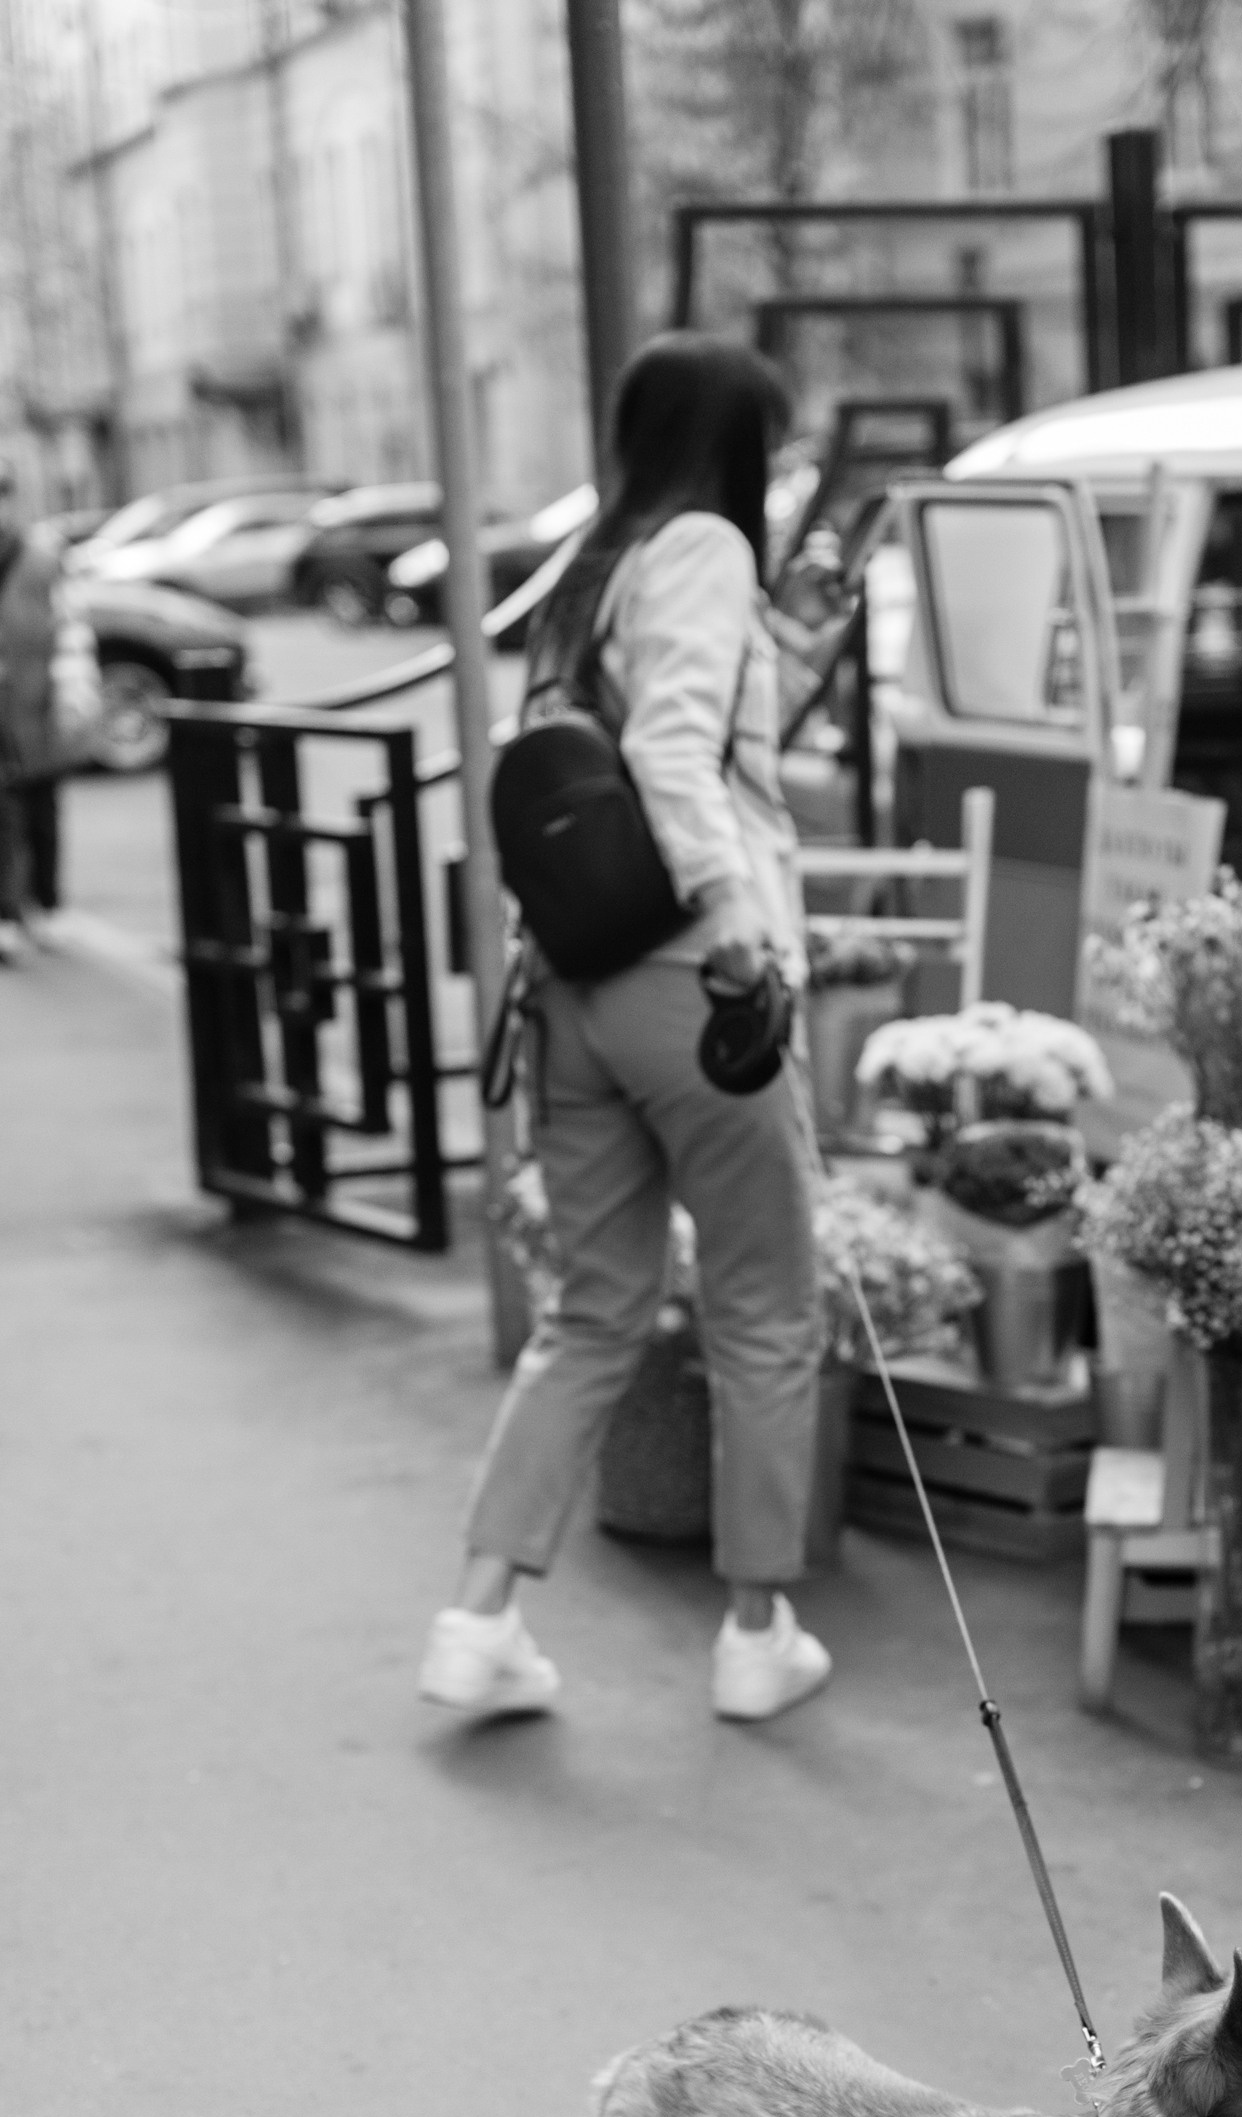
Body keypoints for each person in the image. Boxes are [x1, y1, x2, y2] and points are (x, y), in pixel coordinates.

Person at [421, 336, 834, 1726]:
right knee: (765, 1304)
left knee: (592, 1313)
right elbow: (670, 751)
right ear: (731, 446)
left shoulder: (588, 571)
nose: (782, 475)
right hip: (690, 982)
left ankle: (478, 1621)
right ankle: (757, 1631)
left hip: (576, 987)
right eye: (773, 448)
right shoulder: (707, 548)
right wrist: (731, 920)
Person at [0, 465, 98, 957]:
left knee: (43, 808)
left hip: (39, 702)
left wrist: (75, 690)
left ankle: (48, 907)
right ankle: (7, 916)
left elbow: (73, 624)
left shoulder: (44, 555)